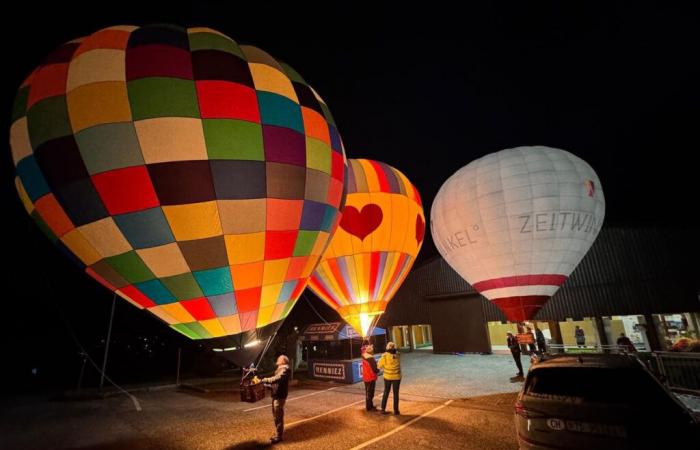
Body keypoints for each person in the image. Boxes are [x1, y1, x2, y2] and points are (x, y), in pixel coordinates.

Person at [261, 355, 290, 444]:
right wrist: (267, 386)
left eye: (279, 358)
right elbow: (276, 384)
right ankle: (278, 433)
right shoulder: (280, 369)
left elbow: (277, 379)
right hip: (276, 395)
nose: (278, 359)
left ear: (283, 361)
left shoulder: (285, 369)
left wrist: (265, 380)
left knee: (278, 416)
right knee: (276, 416)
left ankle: (279, 436)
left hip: (280, 396)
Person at [378, 341, 401, 415]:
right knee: (396, 393)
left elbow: (379, 366)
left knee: (386, 392)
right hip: (397, 377)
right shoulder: (398, 354)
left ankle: (382, 409)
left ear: (387, 347)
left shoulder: (384, 356)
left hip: (387, 377)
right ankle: (396, 410)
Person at [361, 344, 379, 411]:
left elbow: (362, 350)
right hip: (371, 377)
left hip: (366, 377)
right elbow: (375, 369)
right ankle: (369, 407)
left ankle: (369, 406)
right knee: (370, 393)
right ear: (371, 352)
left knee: (367, 392)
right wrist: (379, 369)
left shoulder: (363, 356)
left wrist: (368, 346)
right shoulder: (371, 358)